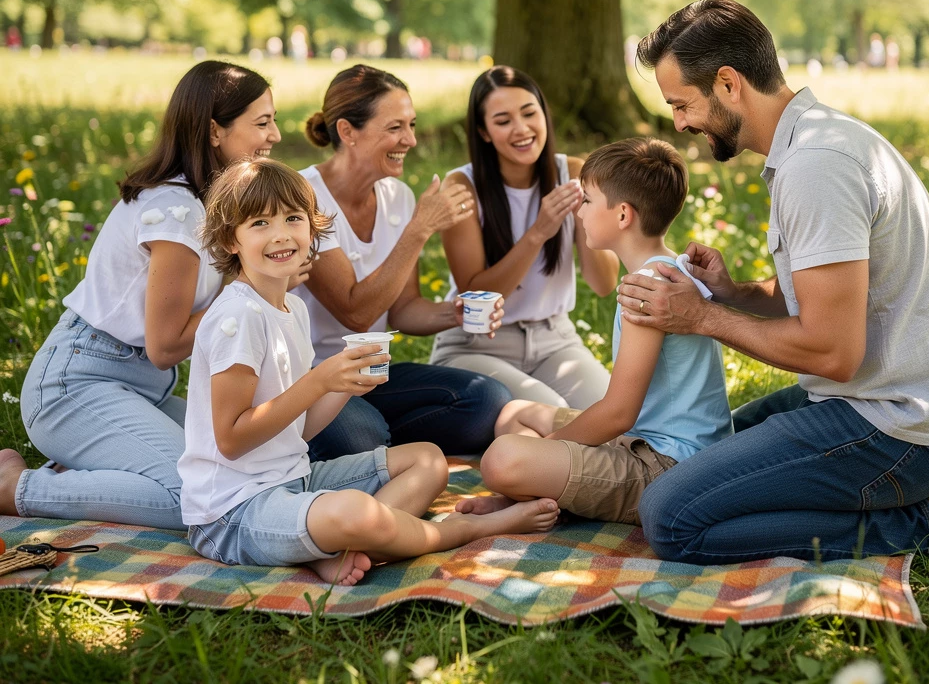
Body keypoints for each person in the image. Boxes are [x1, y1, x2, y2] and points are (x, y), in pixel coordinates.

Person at [617, 0, 929, 562]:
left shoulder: (816, 166)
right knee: (706, 455)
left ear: (728, 84)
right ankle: (908, 499)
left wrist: (702, 316)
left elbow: (832, 352)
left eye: (681, 104)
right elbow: (825, 301)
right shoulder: (813, 143)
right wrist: (735, 293)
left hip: (901, 428)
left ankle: (927, 524)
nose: (679, 123)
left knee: (671, 517)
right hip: (873, 401)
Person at [180, 158, 558, 584]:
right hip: (234, 512)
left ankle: (338, 547)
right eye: (260, 224)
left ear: (312, 228)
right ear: (230, 239)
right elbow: (231, 440)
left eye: (293, 218)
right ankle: (466, 529)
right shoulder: (238, 316)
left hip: (294, 480)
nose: (281, 234)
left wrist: (343, 385)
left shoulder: (293, 308)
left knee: (428, 460)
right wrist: (318, 380)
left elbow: (299, 430)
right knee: (357, 512)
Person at [0, 61, 284, 529]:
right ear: (215, 131)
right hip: (75, 386)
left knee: (245, 470)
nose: (275, 134)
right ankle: (17, 489)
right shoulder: (175, 212)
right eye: (262, 122)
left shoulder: (207, 204)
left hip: (142, 389)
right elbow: (165, 346)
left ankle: (93, 470)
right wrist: (255, 285)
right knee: (198, 497)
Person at [461, 138, 733, 525]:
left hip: (670, 468)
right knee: (515, 415)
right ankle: (543, 492)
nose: (579, 210)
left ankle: (533, 495)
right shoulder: (672, 268)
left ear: (622, 215)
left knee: (502, 459)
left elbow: (618, 413)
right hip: (644, 440)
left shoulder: (647, 290)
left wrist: (549, 451)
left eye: (587, 200)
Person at [294, 65, 511, 460]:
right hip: (312, 379)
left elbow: (404, 310)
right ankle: (370, 446)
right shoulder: (302, 197)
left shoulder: (398, 197)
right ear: (347, 131)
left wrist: (454, 313)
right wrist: (420, 229)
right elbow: (356, 313)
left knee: (487, 400)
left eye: (411, 125)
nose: (410, 140)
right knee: (360, 438)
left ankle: (377, 449)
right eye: (395, 127)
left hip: (371, 374)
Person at [432, 66, 621, 407]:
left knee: (615, 414)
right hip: (477, 345)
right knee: (553, 413)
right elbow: (475, 296)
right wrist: (538, 232)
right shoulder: (462, 186)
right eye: (503, 121)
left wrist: (585, 220)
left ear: (544, 115)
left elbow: (604, 284)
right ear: (484, 132)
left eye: (529, 113)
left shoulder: (573, 172)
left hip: (555, 341)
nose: (521, 129)